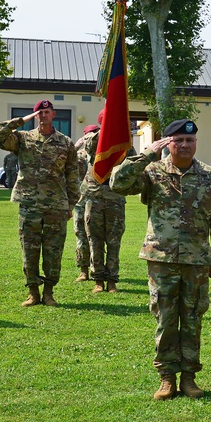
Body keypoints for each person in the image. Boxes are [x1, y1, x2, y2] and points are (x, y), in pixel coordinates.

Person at [110, 119, 211, 400]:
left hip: (196, 260)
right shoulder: (152, 171)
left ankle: (189, 377)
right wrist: (147, 153)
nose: (185, 145)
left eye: (190, 140)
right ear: (168, 143)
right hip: (161, 258)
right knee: (165, 317)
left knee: (192, 318)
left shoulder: (209, 175)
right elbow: (117, 182)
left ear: (196, 143)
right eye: (178, 140)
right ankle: (166, 377)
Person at [0, 100, 79, 307]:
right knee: (29, 250)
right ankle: (33, 293)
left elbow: (72, 175)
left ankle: (49, 293)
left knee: (53, 251)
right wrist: (21, 120)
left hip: (55, 205)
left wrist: (71, 204)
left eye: (46, 112)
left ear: (53, 114)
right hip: (29, 204)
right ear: (35, 116)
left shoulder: (65, 142)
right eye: (39, 113)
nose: (43, 116)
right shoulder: (22, 139)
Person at [80, 112, 132, 293]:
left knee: (114, 241)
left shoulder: (123, 143)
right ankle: (98, 280)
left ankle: (111, 280)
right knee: (94, 240)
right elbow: (89, 146)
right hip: (94, 197)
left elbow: (130, 162)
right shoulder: (94, 140)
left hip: (115, 197)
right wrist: (105, 132)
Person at [73, 128, 96, 283]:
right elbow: (59, 162)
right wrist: (75, 147)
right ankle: (83, 270)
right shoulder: (78, 155)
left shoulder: (102, 155)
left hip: (98, 200)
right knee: (81, 235)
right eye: (88, 136)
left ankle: (98, 270)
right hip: (81, 201)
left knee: (97, 237)